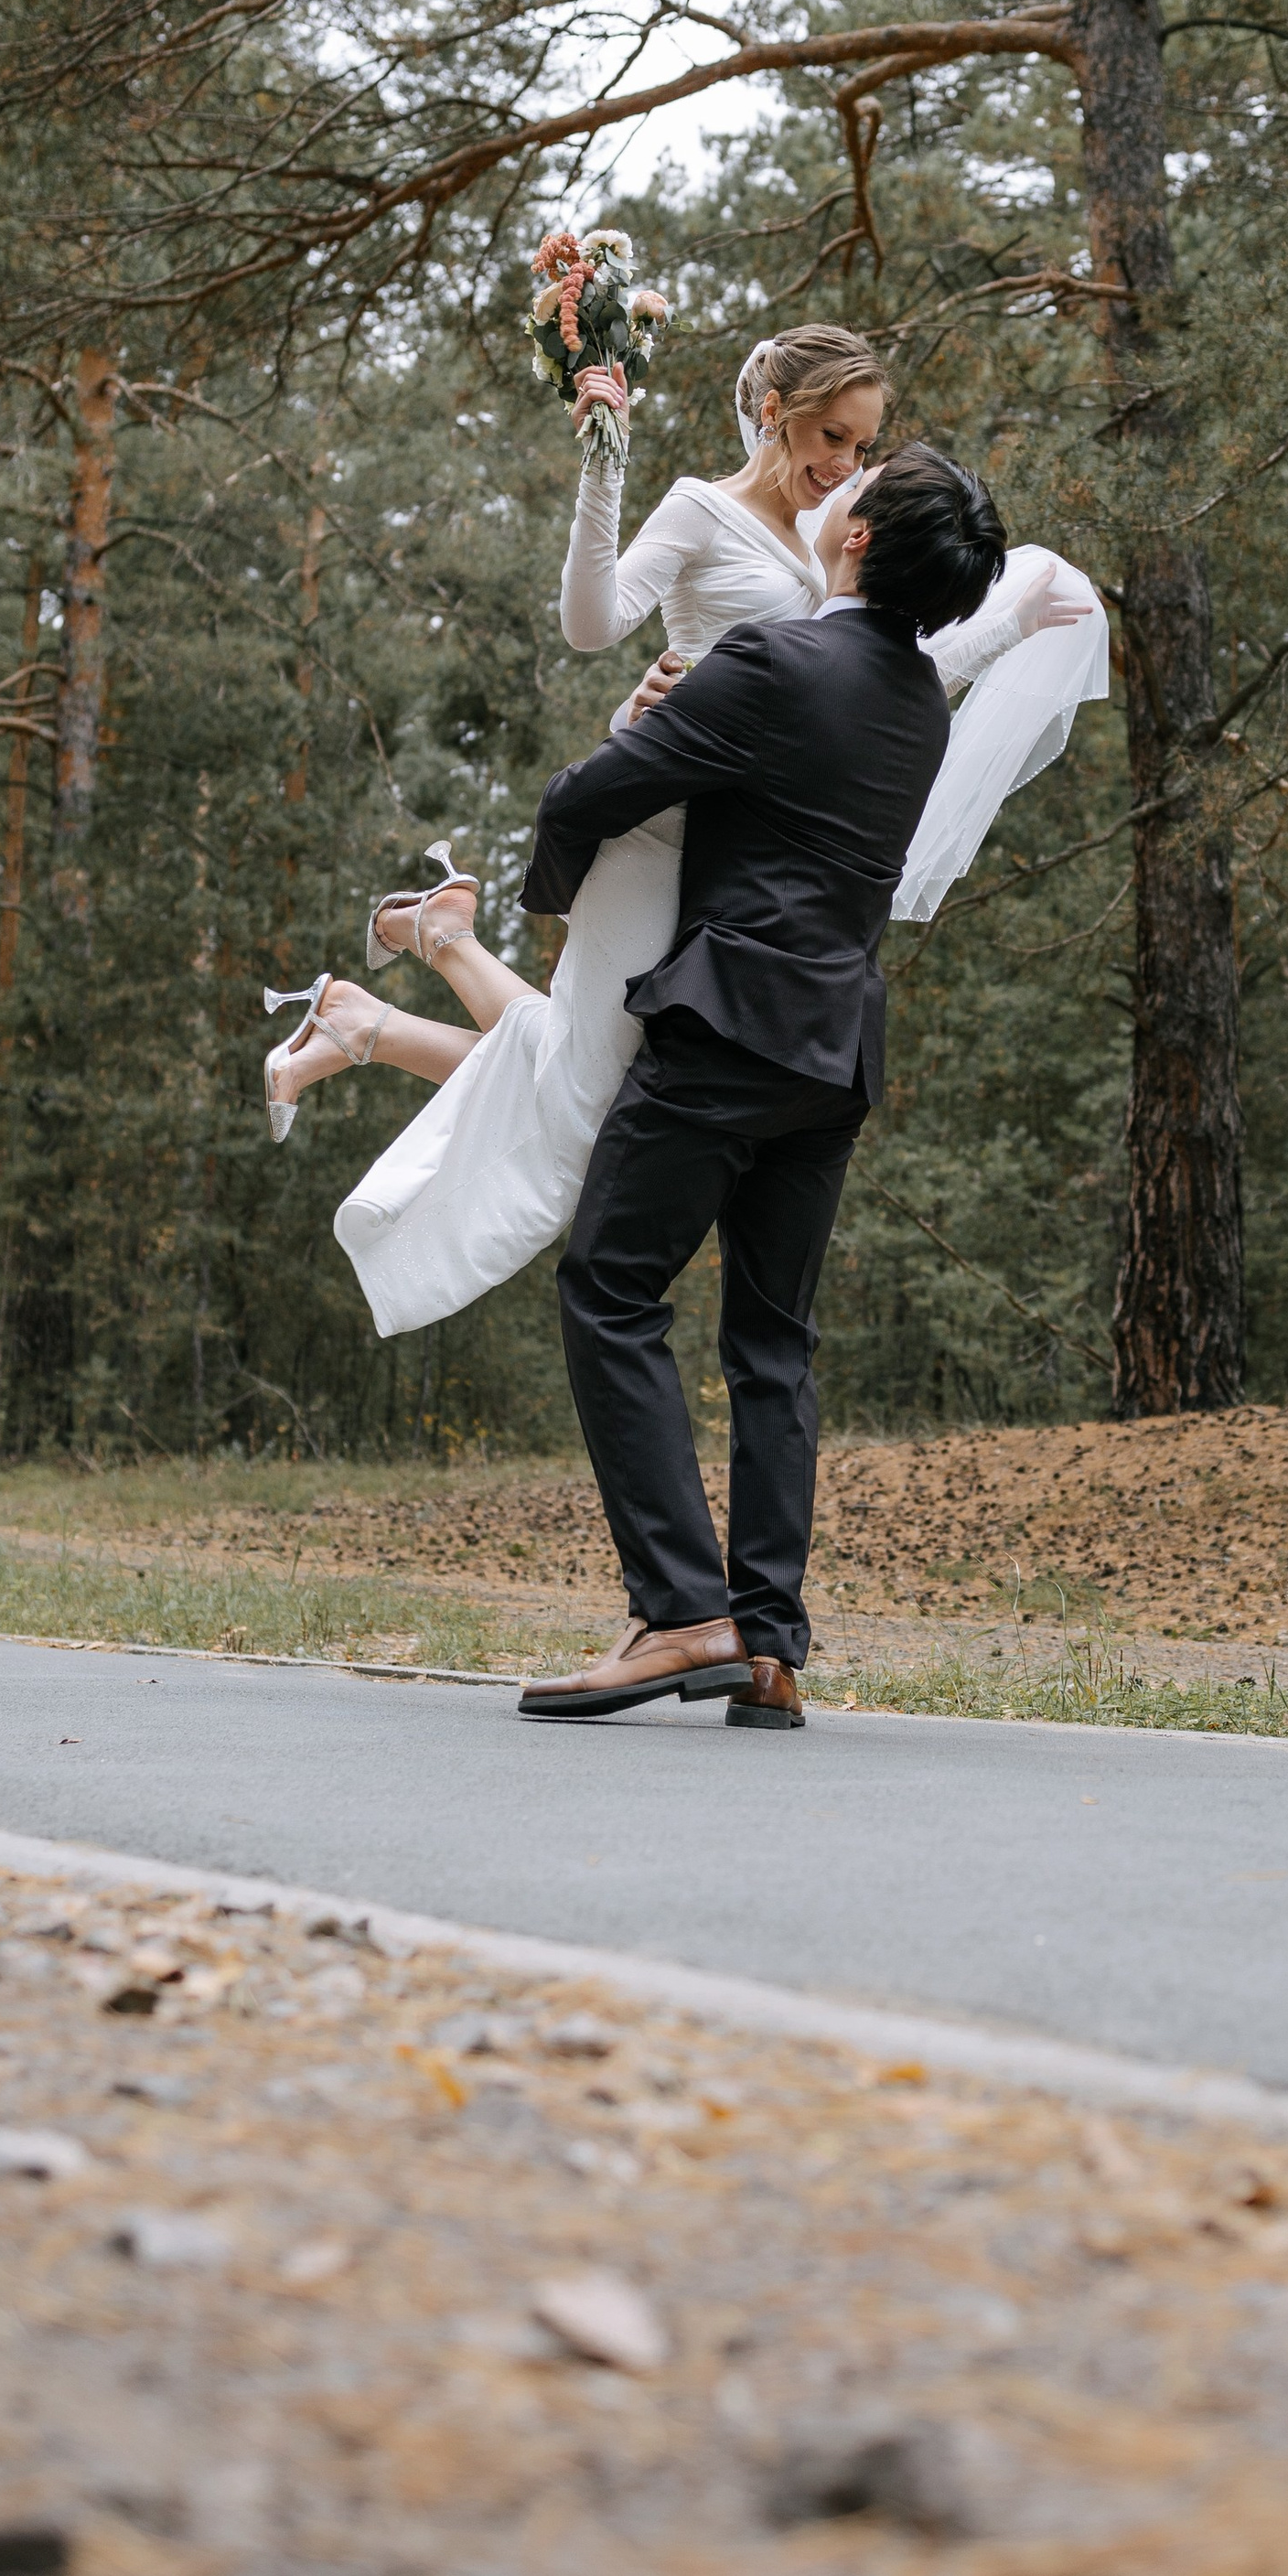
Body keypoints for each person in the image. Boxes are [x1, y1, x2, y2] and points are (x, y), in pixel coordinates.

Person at [263, 326, 1106, 1335]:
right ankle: (402, 989)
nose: (843, 466)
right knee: (594, 1113)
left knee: (609, 1083)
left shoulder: (826, 543)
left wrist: (1009, 624)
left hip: (732, 845)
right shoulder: (703, 510)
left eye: (862, 448)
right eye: (830, 436)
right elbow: (591, 622)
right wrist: (603, 464)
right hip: (659, 823)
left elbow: (858, 686)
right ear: (773, 412)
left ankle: (397, 989)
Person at [515, 445, 1006, 1730]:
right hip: (834, 1051)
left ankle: (682, 1615)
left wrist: (559, 919)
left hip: (726, 1028)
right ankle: (772, 1646)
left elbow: (595, 796)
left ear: (853, 543)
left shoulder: (777, 662)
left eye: (860, 481)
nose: (836, 483)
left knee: (609, 1289)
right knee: (773, 1344)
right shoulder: (921, 702)